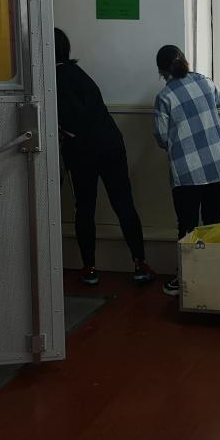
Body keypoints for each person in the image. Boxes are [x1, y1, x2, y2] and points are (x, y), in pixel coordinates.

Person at [55, 28, 154, 286]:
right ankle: (140, 263)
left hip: (82, 151)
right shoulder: (79, 73)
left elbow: (68, 121)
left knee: (85, 209)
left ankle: (89, 268)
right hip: (111, 145)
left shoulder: (54, 79)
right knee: (124, 204)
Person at [152, 44, 220, 296]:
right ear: (184, 61)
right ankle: (216, 276)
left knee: (187, 226)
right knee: (213, 220)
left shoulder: (165, 97)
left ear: (162, 71)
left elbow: (161, 137)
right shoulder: (204, 82)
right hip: (218, 165)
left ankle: (186, 278)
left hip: (188, 173)